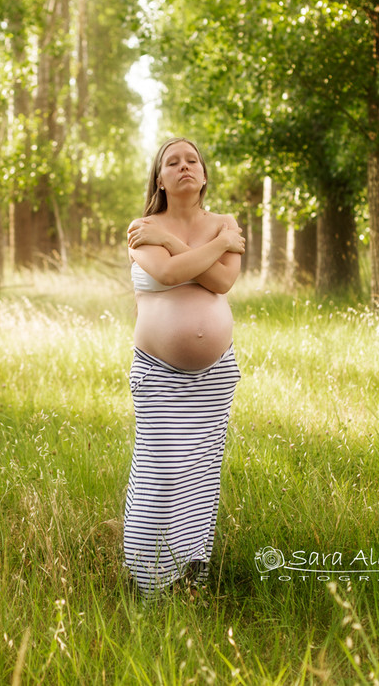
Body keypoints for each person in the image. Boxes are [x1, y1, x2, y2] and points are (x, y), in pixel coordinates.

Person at [122, 137, 245, 596]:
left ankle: (190, 578)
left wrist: (174, 244)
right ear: (160, 179)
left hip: (215, 376)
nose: (184, 166)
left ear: (204, 174)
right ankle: (148, 581)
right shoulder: (142, 228)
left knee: (199, 475)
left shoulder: (225, 224)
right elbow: (169, 274)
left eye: (192, 160)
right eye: (172, 162)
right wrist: (209, 247)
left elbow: (222, 281)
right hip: (158, 371)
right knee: (160, 471)